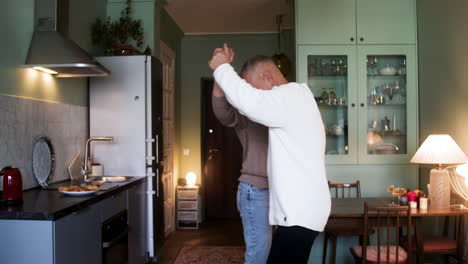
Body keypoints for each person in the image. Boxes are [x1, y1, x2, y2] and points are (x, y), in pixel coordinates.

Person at [208, 44, 331, 264]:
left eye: (253, 87)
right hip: (300, 211)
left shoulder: (289, 97)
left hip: (298, 213)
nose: (253, 92)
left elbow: (249, 100)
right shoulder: (297, 97)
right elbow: (239, 106)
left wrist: (222, 67)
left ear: (268, 78)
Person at [212, 77, 271, 263]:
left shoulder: (278, 108)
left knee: (270, 251)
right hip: (256, 190)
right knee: (258, 254)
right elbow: (222, 112)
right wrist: (219, 74)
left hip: (278, 190)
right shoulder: (248, 112)